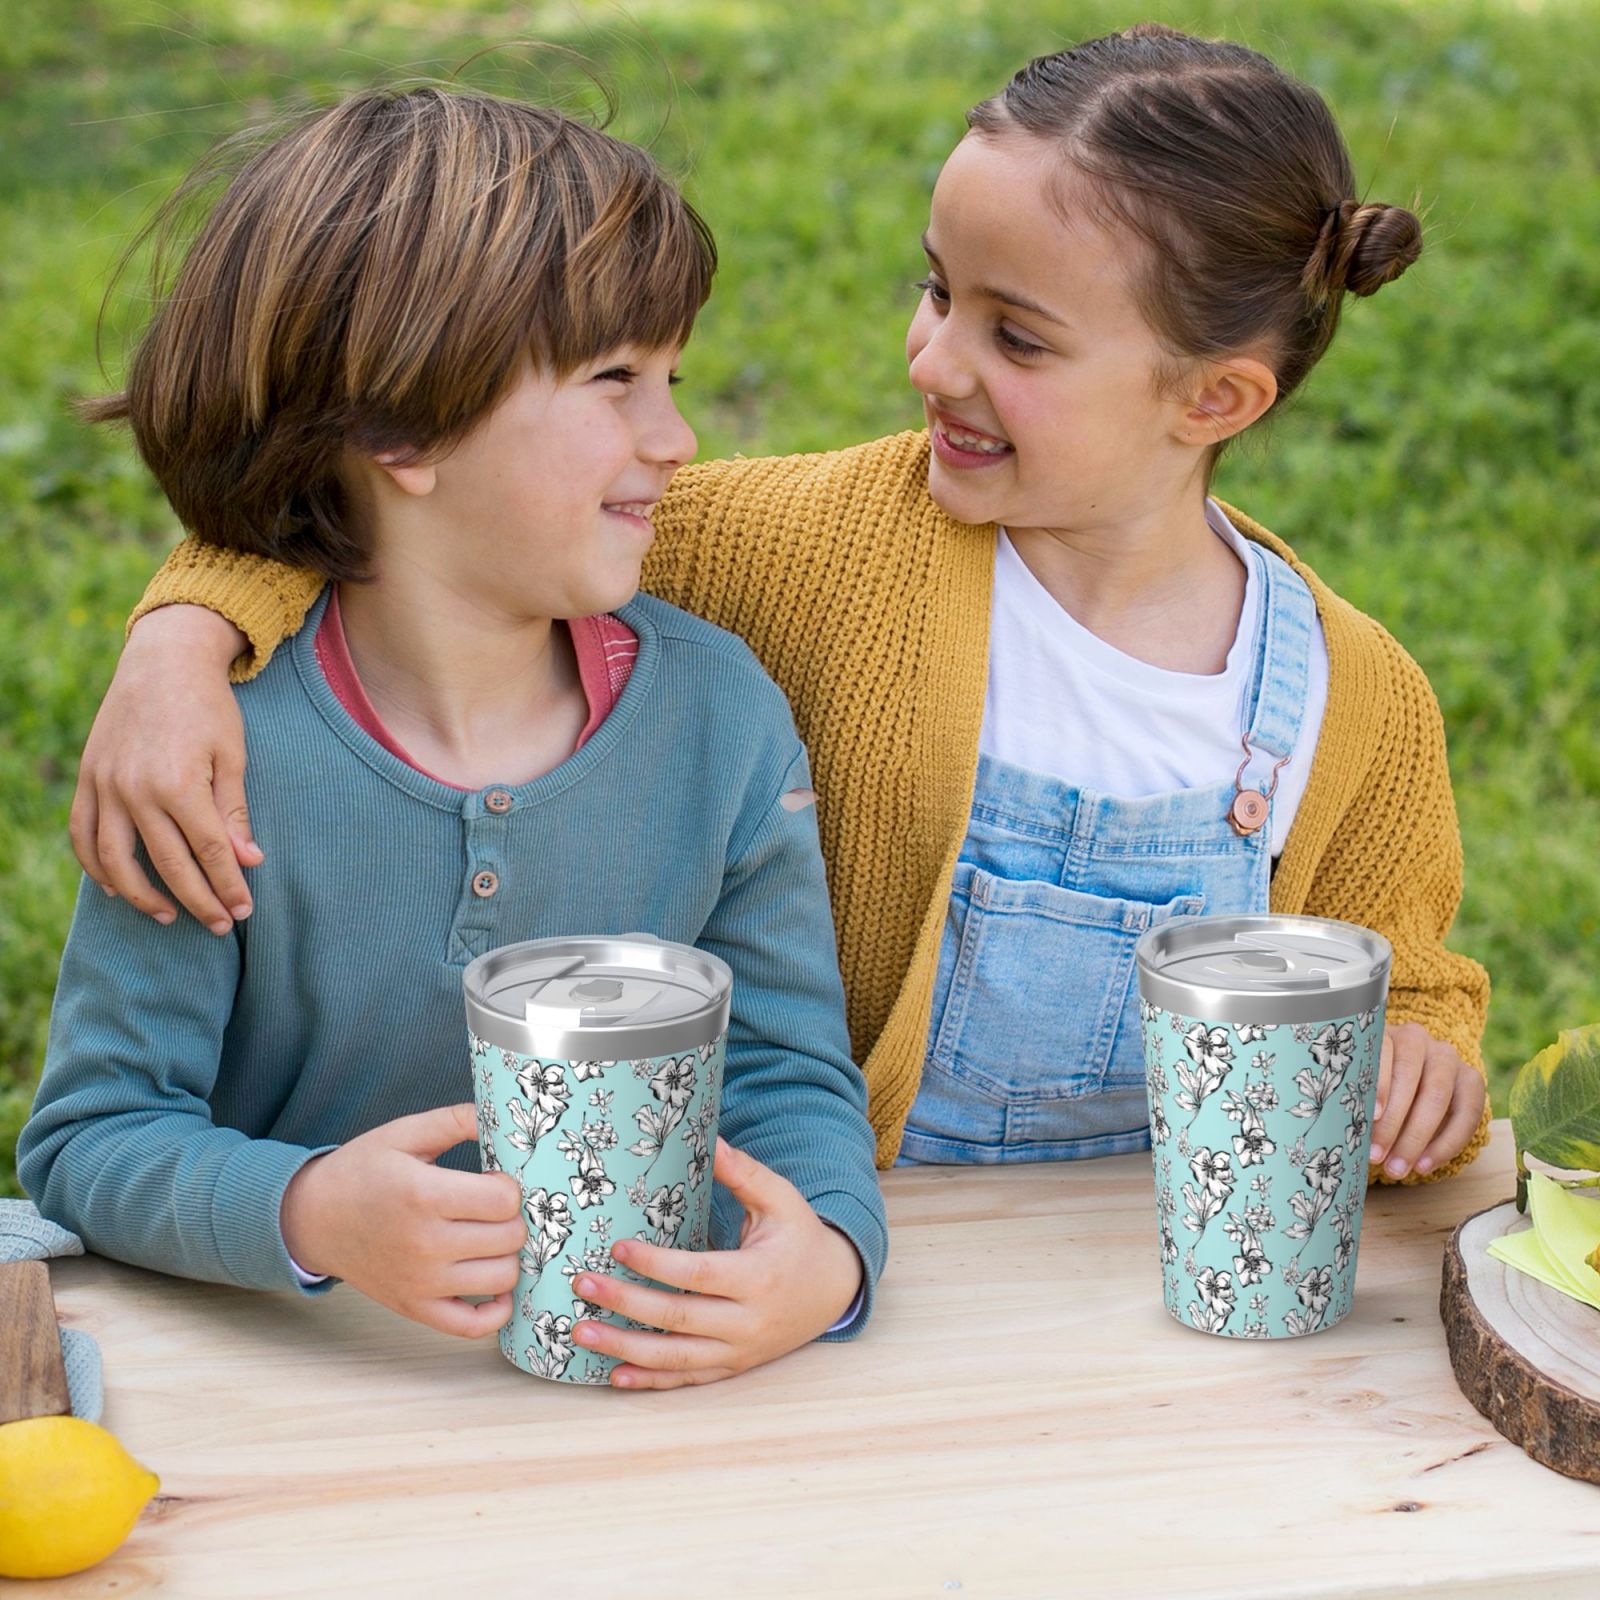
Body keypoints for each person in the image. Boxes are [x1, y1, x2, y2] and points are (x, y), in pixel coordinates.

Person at [68, 25, 1490, 1188]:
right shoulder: (808, 546)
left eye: (1018, 335)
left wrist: (1422, 1055)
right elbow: (422, 505)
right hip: (850, 1251)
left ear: (1216, 398)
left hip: (1156, 1286)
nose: (934, 358)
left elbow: (1404, 976)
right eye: (937, 291)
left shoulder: (1353, 698)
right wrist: (185, 635)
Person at [20, 86, 887, 1390]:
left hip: (640, 1402)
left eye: (673, 379)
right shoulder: (208, 758)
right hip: (303, 1401)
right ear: (398, 430)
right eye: (614, 383)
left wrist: (826, 1256)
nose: (677, 438)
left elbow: (780, 1070)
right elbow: (93, 1139)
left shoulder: (723, 720)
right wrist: (312, 1211)